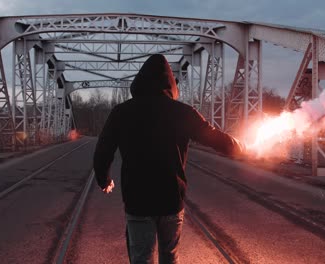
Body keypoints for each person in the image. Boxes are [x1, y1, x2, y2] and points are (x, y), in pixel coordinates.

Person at [93, 54, 244, 264]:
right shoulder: (183, 112)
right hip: (171, 198)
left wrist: (104, 179)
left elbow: (103, 150)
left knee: (141, 258)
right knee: (170, 257)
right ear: (171, 84)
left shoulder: (122, 112)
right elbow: (212, 136)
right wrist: (239, 148)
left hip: (138, 199)